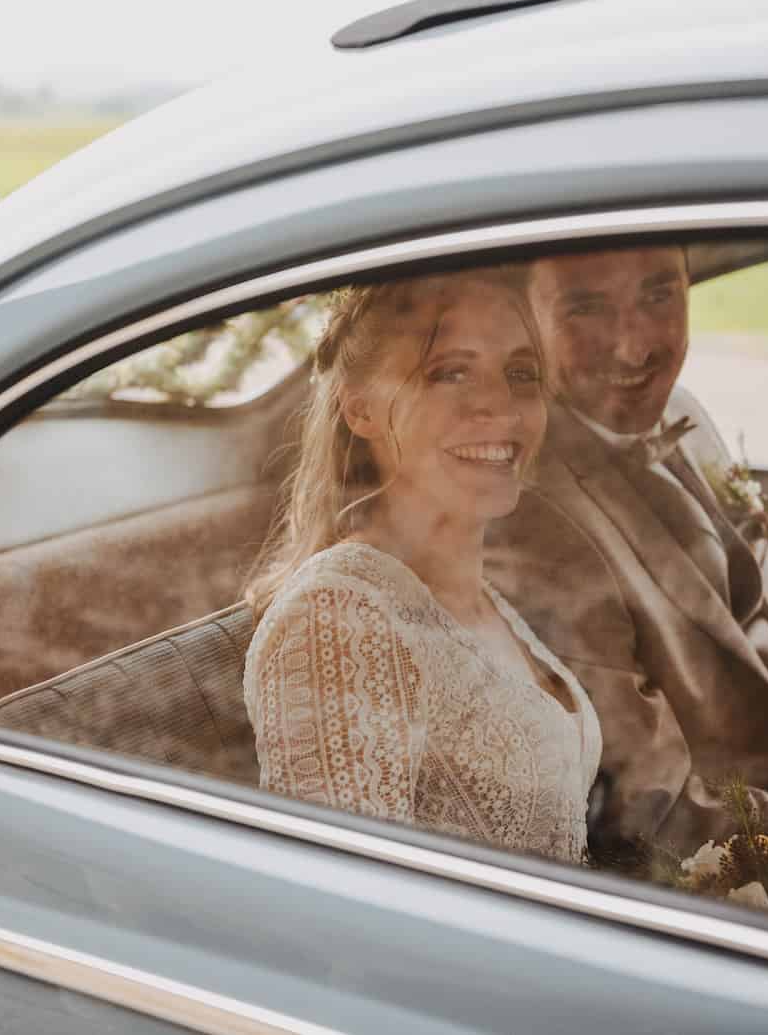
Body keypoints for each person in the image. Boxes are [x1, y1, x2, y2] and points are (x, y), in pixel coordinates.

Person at [485, 244, 768, 867]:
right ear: (524, 317)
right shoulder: (524, 517)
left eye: (659, 294)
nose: (635, 346)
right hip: (736, 857)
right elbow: (649, 816)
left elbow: (760, 639)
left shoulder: (680, 408)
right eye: (587, 308)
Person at [243, 268, 602, 865]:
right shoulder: (337, 619)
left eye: (521, 373)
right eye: (450, 372)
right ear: (360, 409)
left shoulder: (481, 599)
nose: (499, 405)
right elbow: (347, 907)